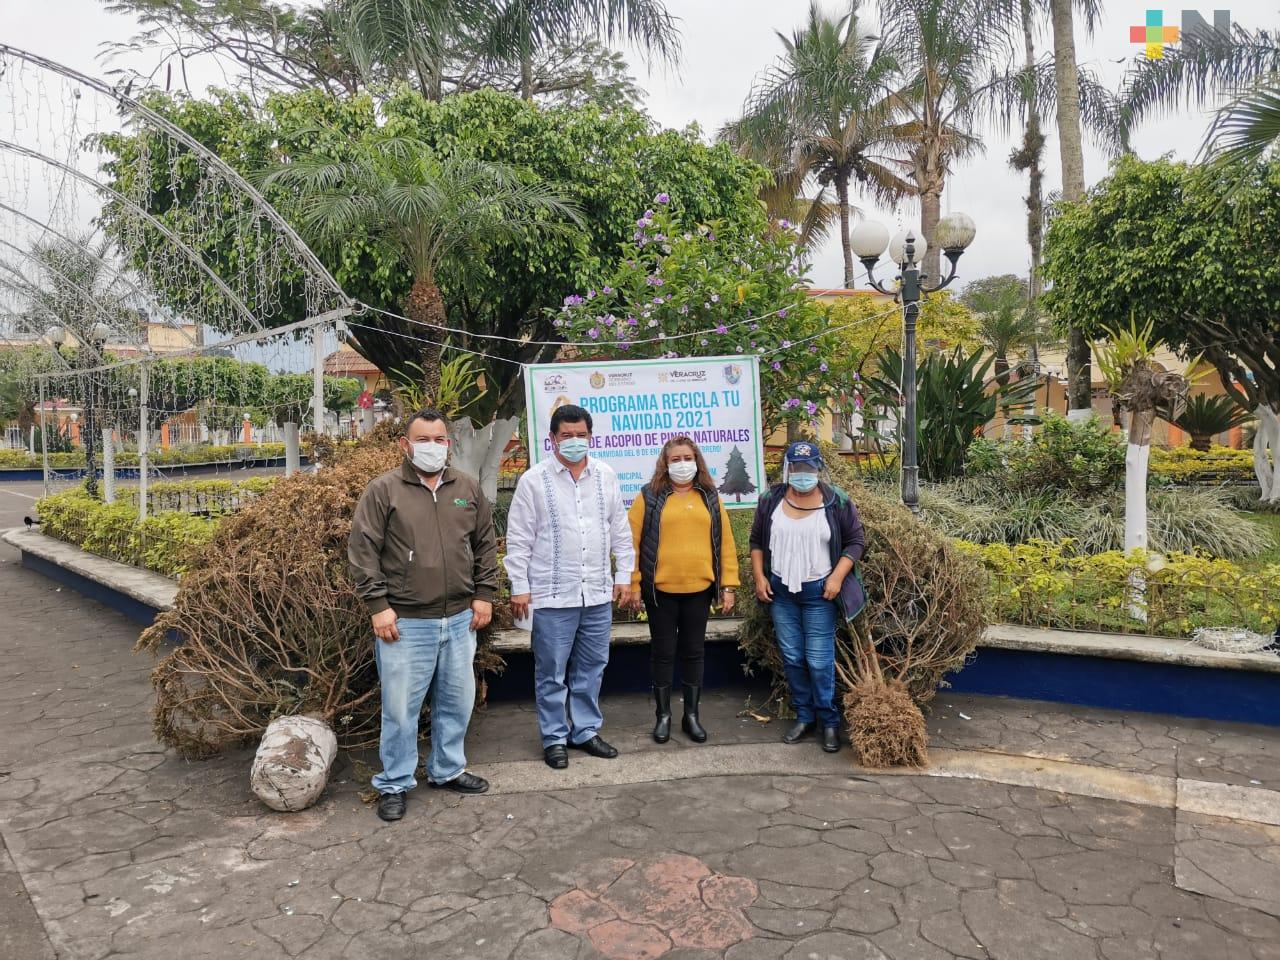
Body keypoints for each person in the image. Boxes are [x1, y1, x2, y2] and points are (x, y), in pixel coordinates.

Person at [348, 409, 498, 822]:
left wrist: (484, 594)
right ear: (405, 444)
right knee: (400, 709)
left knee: (456, 701)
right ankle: (394, 782)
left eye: (439, 440)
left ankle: (448, 770)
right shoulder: (384, 491)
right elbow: (363, 554)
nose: (432, 447)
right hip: (406, 623)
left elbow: (485, 543)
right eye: (423, 439)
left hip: (459, 619)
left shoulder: (466, 488)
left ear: (448, 445)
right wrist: (378, 606)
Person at [505, 404, 635, 770]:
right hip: (551, 595)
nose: (575, 442)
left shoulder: (605, 475)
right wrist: (519, 586)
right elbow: (518, 539)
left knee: (592, 666)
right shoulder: (534, 480)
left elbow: (620, 532)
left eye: (581, 435)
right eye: (567, 436)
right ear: (552, 439)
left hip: (596, 593)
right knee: (551, 671)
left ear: (590, 437)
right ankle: (554, 737)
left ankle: (585, 731)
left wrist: (623, 576)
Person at [749, 441, 865, 754]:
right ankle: (805, 715)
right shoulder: (770, 500)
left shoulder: (836, 501)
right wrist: (760, 578)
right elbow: (756, 542)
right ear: (788, 469)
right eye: (797, 468)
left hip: (819, 593)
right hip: (781, 593)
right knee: (792, 657)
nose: (803, 474)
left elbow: (855, 542)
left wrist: (837, 577)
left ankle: (829, 721)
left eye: (809, 468)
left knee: (818, 660)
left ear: (818, 469)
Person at [627, 436, 739, 743]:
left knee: (693, 653)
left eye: (687, 458)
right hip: (660, 592)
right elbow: (630, 545)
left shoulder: (710, 497)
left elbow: (726, 544)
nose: (682, 464)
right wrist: (633, 584)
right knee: (662, 654)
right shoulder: (648, 497)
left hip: (699, 591)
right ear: (665, 463)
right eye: (675, 459)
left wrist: (728, 586)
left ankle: (691, 716)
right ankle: (663, 717)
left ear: (697, 460)